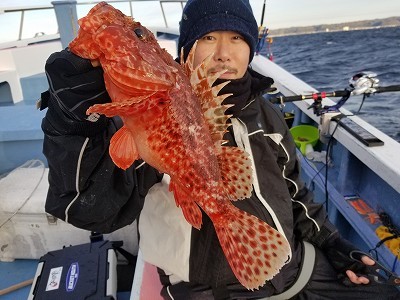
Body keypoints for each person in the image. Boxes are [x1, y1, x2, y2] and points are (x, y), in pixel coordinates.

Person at [40, 0, 400, 299]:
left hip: (296, 268)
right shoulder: (141, 117)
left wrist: (332, 243)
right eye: (209, 37)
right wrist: (73, 126)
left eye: (237, 39)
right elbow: (87, 209)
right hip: (209, 291)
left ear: (251, 48)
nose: (224, 54)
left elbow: (294, 190)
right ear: (186, 48)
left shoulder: (268, 114)